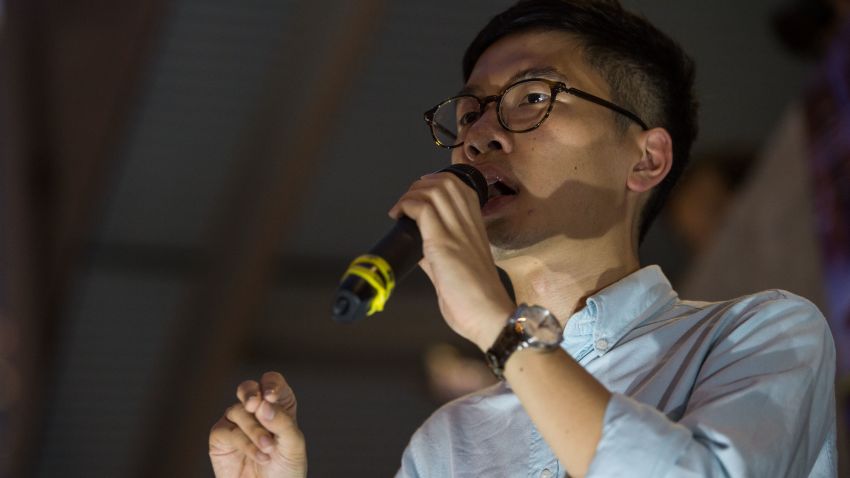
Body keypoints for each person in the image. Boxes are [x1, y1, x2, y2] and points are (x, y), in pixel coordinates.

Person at [208, 1, 837, 476]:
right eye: (468, 114)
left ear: (645, 159)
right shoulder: (447, 443)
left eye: (532, 97)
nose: (480, 135)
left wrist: (500, 326)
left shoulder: (760, 334)